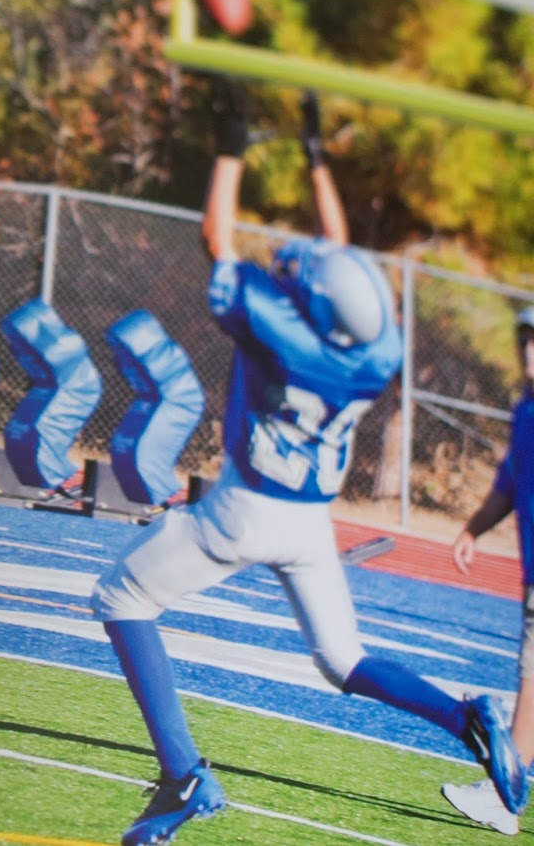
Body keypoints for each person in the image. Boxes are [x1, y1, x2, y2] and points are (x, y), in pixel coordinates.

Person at [89, 81, 526, 846]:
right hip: (309, 521)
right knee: (342, 658)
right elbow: (341, 254)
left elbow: (218, 238)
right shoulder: (374, 348)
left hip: (246, 510)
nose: (302, 262)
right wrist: (317, 159)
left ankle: (184, 775)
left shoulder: (283, 332)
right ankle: (466, 719)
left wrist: (229, 148)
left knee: (120, 597)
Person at [443, 307, 534, 835]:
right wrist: (471, 530)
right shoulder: (525, 410)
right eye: (525, 341)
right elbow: (508, 485)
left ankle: (504, 795)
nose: (529, 352)